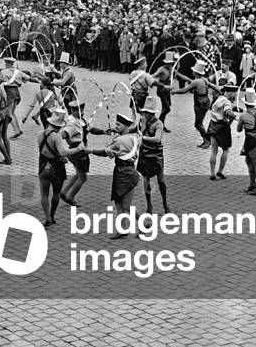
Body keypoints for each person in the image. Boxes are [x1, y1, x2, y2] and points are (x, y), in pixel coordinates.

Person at [90, 108, 142, 240]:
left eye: (118, 125)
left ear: (125, 127)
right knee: (119, 203)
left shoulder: (119, 141)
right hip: (130, 172)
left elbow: (105, 152)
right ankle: (122, 229)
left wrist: (89, 150)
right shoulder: (134, 138)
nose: (115, 126)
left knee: (124, 205)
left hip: (122, 173)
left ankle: (143, 223)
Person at [36, 109, 86, 228]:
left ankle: (47, 217)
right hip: (56, 168)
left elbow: (44, 150)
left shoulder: (39, 134)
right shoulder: (56, 136)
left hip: (43, 166)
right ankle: (52, 216)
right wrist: (79, 149)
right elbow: (63, 152)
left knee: (44, 194)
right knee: (56, 193)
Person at [137, 96, 168, 213]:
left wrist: (143, 137)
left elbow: (157, 139)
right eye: (145, 112)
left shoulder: (159, 124)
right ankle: (149, 205)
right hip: (144, 153)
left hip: (155, 154)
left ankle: (165, 203)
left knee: (161, 181)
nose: (145, 115)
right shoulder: (142, 121)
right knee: (146, 180)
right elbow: (133, 129)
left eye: (148, 113)